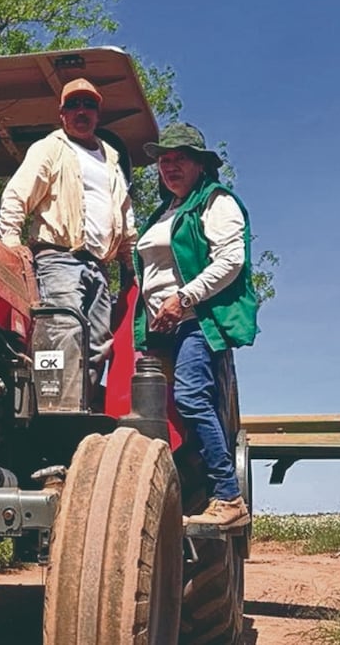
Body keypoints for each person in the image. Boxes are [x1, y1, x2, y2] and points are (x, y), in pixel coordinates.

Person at [133, 122, 259, 528]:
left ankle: (228, 496)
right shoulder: (164, 212)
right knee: (153, 413)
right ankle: (170, 490)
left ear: (200, 165)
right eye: (163, 160)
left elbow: (230, 260)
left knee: (190, 398)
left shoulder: (215, 202)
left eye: (179, 159)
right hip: (160, 328)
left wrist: (183, 298)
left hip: (195, 320)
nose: (169, 167)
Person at [0, 78, 137, 408]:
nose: (81, 111)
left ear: (97, 114)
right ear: (61, 114)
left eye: (88, 105)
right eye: (73, 105)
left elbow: (124, 215)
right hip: (59, 258)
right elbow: (17, 194)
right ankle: (54, 410)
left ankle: (79, 408)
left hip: (98, 265)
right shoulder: (51, 148)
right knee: (65, 330)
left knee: (100, 343)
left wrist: (131, 266)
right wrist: (10, 240)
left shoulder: (111, 159)